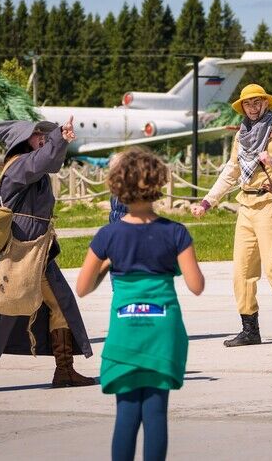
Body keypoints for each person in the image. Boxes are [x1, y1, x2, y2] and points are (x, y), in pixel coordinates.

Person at [0, 116, 95, 391]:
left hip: (37, 252)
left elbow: (49, 162)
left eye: (44, 133)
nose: (42, 136)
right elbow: (46, 160)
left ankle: (65, 370)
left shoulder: (32, 166)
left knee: (61, 304)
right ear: (21, 140)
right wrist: (59, 138)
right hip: (16, 252)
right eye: (37, 133)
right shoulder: (20, 167)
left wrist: (58, 140)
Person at [76, 147, 204, 461]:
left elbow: (82, 288)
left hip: (125, 333)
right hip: (162, 333)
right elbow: (196, 285)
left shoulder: (108, 235)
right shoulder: (176, 233)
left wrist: (109, 263)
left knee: (126, 414)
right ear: (158, 184)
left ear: (117, 187)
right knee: (156, 413)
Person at [191, 83, 272, 347]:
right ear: (243, 107)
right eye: (248, 104)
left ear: (266, 103)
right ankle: (249, 329)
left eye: (257, 102)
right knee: (242, 271)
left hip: (269, 204)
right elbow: (231, 170)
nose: (252, 108)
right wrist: (208, 202)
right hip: (246, 206)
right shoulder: (242, 135)